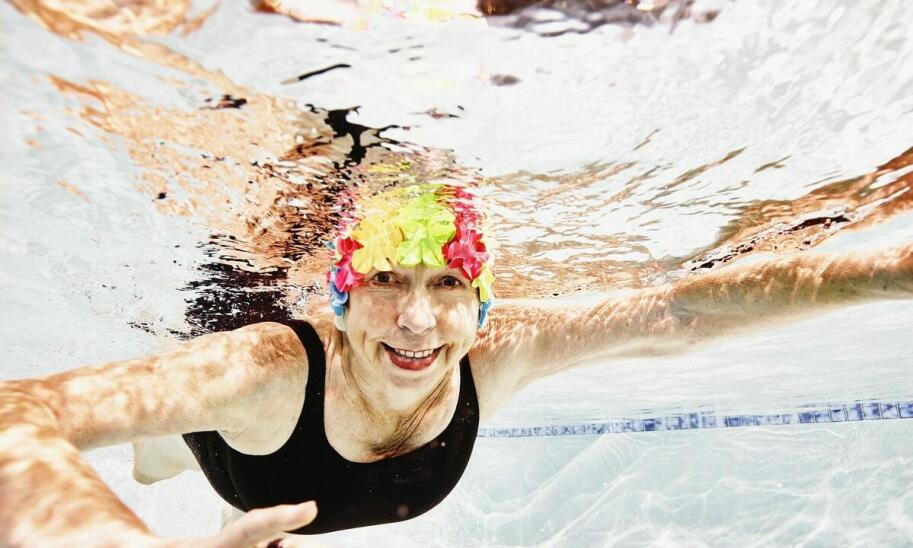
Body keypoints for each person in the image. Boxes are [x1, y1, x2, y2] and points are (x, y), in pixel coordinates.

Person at [0, 183, 910, 547]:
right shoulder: (266, 364)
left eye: (446, 284)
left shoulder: (499, 347)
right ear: (343, 300)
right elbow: (13, 413)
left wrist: (883, 273)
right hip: (233, 368)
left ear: (480, 303)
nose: (417, 320)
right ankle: (156, 449)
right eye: (385, 281)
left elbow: (678, 309)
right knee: (161, 448)